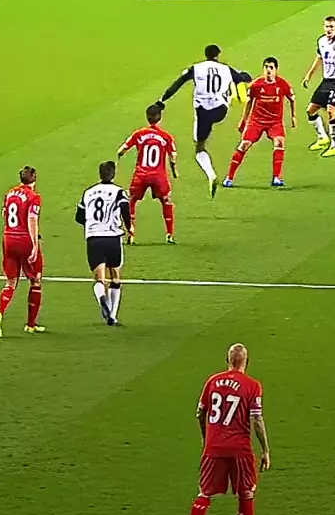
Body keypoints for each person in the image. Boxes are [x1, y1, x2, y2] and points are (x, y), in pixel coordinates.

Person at [174, 343, 271, 515]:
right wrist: (265, 450)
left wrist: (205, 438)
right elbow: (256, 419)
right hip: (239, 449)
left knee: (204, 493)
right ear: (247, 362)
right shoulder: (252, 385)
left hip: (213, 447)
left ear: (227, 360)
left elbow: (200, 412)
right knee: (246, 494)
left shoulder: (213, 381)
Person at [158, 45, 251, 198]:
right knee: (225, 98)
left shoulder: (196, 68)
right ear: (218, 55)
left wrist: (162, 100)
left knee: (199, 147)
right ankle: (227, 98)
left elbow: (177, 84)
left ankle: (211, 174)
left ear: (206, 55)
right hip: (220, 111)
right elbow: (244, 78)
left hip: (203, 113)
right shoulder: (226, 68)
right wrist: (242, 75)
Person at [223, 56, 296, 188]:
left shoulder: (282, 84)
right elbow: (249, 102)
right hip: (256, 121)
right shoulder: (256, 85)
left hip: (274, 122)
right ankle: (229, 177)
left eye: (271, 67)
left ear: (276, 69)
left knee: (279, 142)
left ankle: (277, 177)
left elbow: (292, 99)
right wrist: (243, 120)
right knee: (244, 145)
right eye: (266, 67)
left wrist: (293, 117)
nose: (268, 70)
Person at [75, 161, 131, 327]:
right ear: (113, 174)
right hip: (112, 237)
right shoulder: (119, 192)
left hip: (94, 238)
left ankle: (101, 298)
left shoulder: (88, 192)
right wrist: (130, 227)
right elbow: (125, 208)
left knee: (99, 278)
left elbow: (79, 217)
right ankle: (112, 316)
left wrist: (92, 224)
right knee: (115, 276)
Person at [0, 166, 44, 339]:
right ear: (34, 178)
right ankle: (31, 324)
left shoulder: (10, 194)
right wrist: (34, 244)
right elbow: (32, 219)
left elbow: (4, 213)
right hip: (25, 240)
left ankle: (0, 312)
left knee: (10, 282)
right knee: (35, 280)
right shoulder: (34, 197)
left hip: (8, 238)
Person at [118, 104, 178, 245]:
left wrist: (119, 158)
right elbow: (173, 157)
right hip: (159, 176)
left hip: (141, 175)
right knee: (166, 201)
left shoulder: (139, 134)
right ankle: (169, 234)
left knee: (131, 201)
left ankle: (131, 233)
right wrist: (174, 171)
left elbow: (122, 150)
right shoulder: (166, 137)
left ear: (147, 117)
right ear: (160, 117)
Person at [302, 16, 335, 157]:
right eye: (327, 26)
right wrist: (309, 75)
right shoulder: (321, 41)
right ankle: (322, 137)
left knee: (331, 110)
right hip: (326, 81)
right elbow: (319, 58)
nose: (329, 29)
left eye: (331, 26)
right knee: (311, 110)